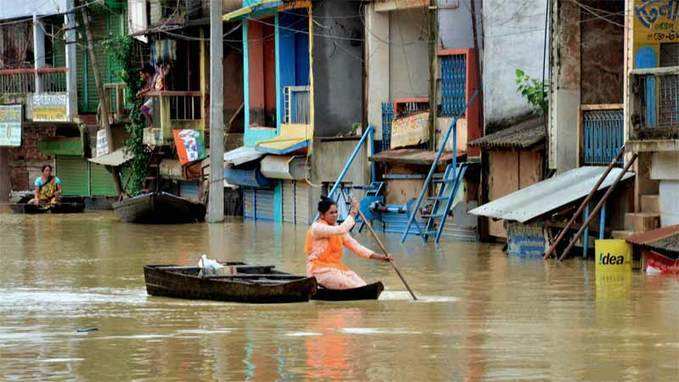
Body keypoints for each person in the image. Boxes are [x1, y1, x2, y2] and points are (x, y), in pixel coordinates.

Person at [305, 196, 392, 290]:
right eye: (331, 213)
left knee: (362, 285)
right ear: (322, 215)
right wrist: (353, 212)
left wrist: (381, 257)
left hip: (335, 268)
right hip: (318, 271)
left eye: (336, 212)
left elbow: (357, 247)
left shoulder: (338, 230)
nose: (335, 215)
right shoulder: (317, 228)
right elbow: (341, 229)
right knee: (355, 287)